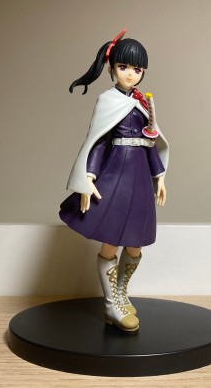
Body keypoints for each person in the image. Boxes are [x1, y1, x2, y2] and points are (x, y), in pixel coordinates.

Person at [59, 29, 169, 332]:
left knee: (135, 245)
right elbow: (97, 140)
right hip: (115, 175)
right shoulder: (107, 100)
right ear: (112, 67)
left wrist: (159, 175)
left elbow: (149, 141)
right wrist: (88, 175)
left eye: (137, 69)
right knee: (112, 241)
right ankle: (111, 305)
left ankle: (120, 294)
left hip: (140, 177)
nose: (131, 74)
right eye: (124, 67)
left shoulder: (142, 102)